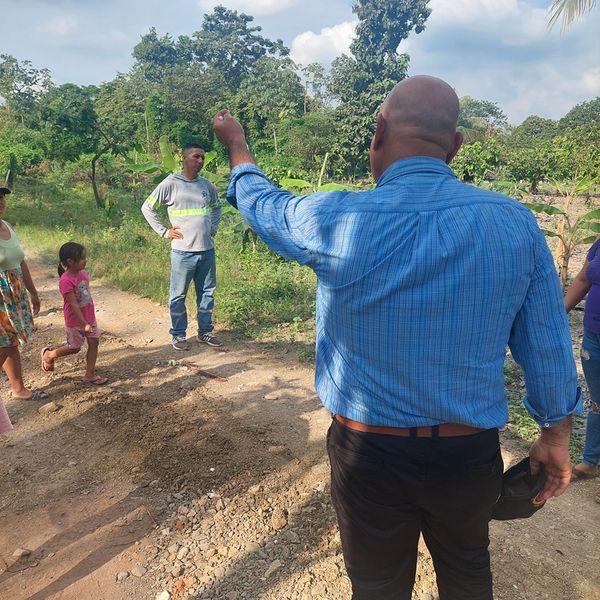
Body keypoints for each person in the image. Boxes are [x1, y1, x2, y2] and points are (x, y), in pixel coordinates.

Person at [213, 75, 581, 600]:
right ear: (455, 146)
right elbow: (546, 345)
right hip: (467, 455)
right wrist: (555, 434)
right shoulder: (514, 224)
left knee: (378, 585)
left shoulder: (333, 218)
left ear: (378, 131)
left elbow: (263, 204)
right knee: (468, 570)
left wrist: (237, 145)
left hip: (368, 454)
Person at [141, 143, 222, 351]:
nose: (200, 161)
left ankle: (205, 332)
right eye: (196, 156)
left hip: (207, 250)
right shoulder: (171, 183)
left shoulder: (206, 185)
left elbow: (217, 207)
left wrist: (213, 226)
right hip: (183, 252)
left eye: (202, 157)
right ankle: (178, 334)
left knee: (207, 293)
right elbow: (147, 207)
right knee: (178, 295)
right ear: (183, 158)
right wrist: (164, 232)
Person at [0, 186, 46, 405]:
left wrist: (33, 293)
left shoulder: (7, 226)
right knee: (6, 343)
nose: (0, 202)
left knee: (10, 342)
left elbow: (21, 262)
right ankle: (18, 389)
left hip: (15, 295)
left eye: (1, 197)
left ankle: (18, 388)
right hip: (1, 298)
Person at [40, 242, 108, 385]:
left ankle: (89, 374)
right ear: (70, 262)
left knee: (94, 342)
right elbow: (73, 303)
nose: (85, 261)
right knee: (74, 348)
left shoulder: (84, 274)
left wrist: (89, 319)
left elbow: (85, 296)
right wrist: (83, 323)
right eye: (82, 258)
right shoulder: (65, 281)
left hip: (89, 317)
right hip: (75, 321)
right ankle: (49, 355)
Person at [564, 239, 600, 503]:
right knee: (597, 402)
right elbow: (583, 279)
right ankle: (589, 462)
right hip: (593, 336)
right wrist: (557, 315)